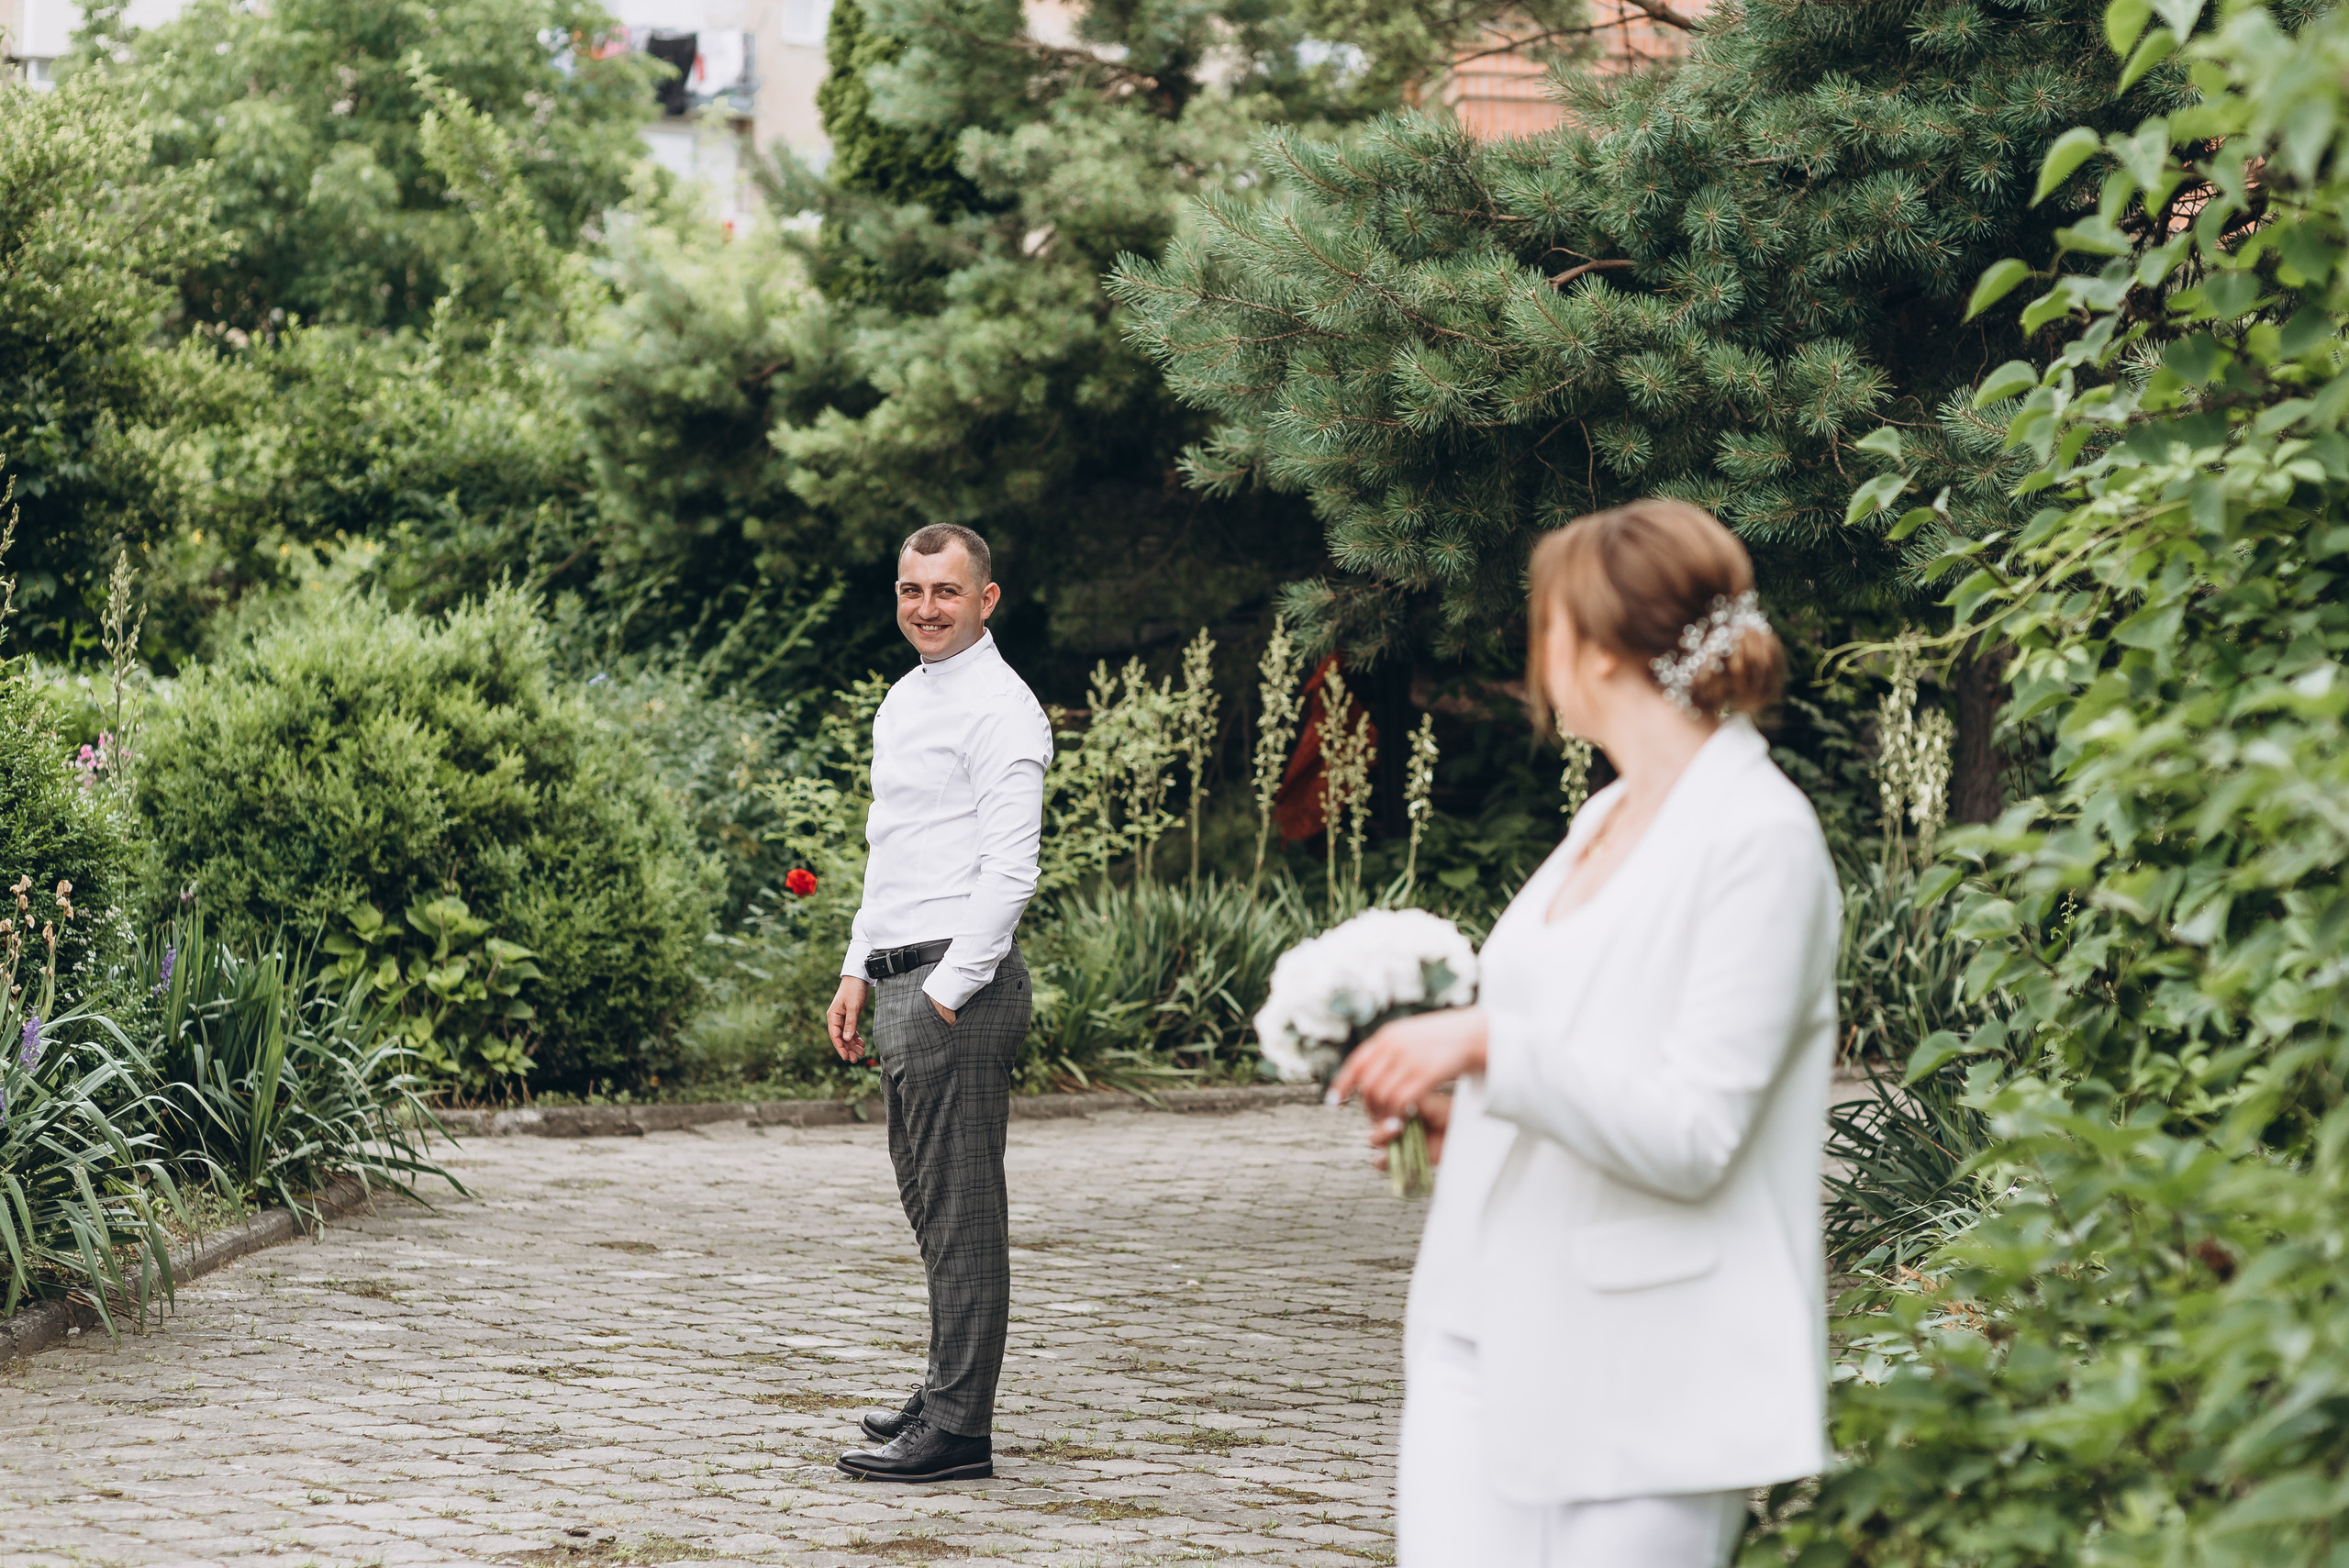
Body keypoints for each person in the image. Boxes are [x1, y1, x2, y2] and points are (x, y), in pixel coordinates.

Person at [1331, 500, 1840, 1567]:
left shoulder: (1760, 837)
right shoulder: (1603, 817)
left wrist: (1484, 1048)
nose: (1533, 653)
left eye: (1541, 623)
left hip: (1647, 1363)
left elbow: (1696, 1130)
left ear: (1594, 646)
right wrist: (1463, 1114)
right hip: (1482, 1327)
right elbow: (1582, 1057)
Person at [825, 523, 1053, 1485]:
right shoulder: (903, 699)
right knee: (929, 1201)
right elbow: (895, 848)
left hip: (956, 983)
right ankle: (946, 1381)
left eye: (946, 591)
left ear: (985, 598)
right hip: (898, 972)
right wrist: (855, 966)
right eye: (912, 589)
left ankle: (960, 1427)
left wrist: (950, 992)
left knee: (962, 1209)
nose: (926, 606)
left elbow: (1011, 867)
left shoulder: (1004, 709)